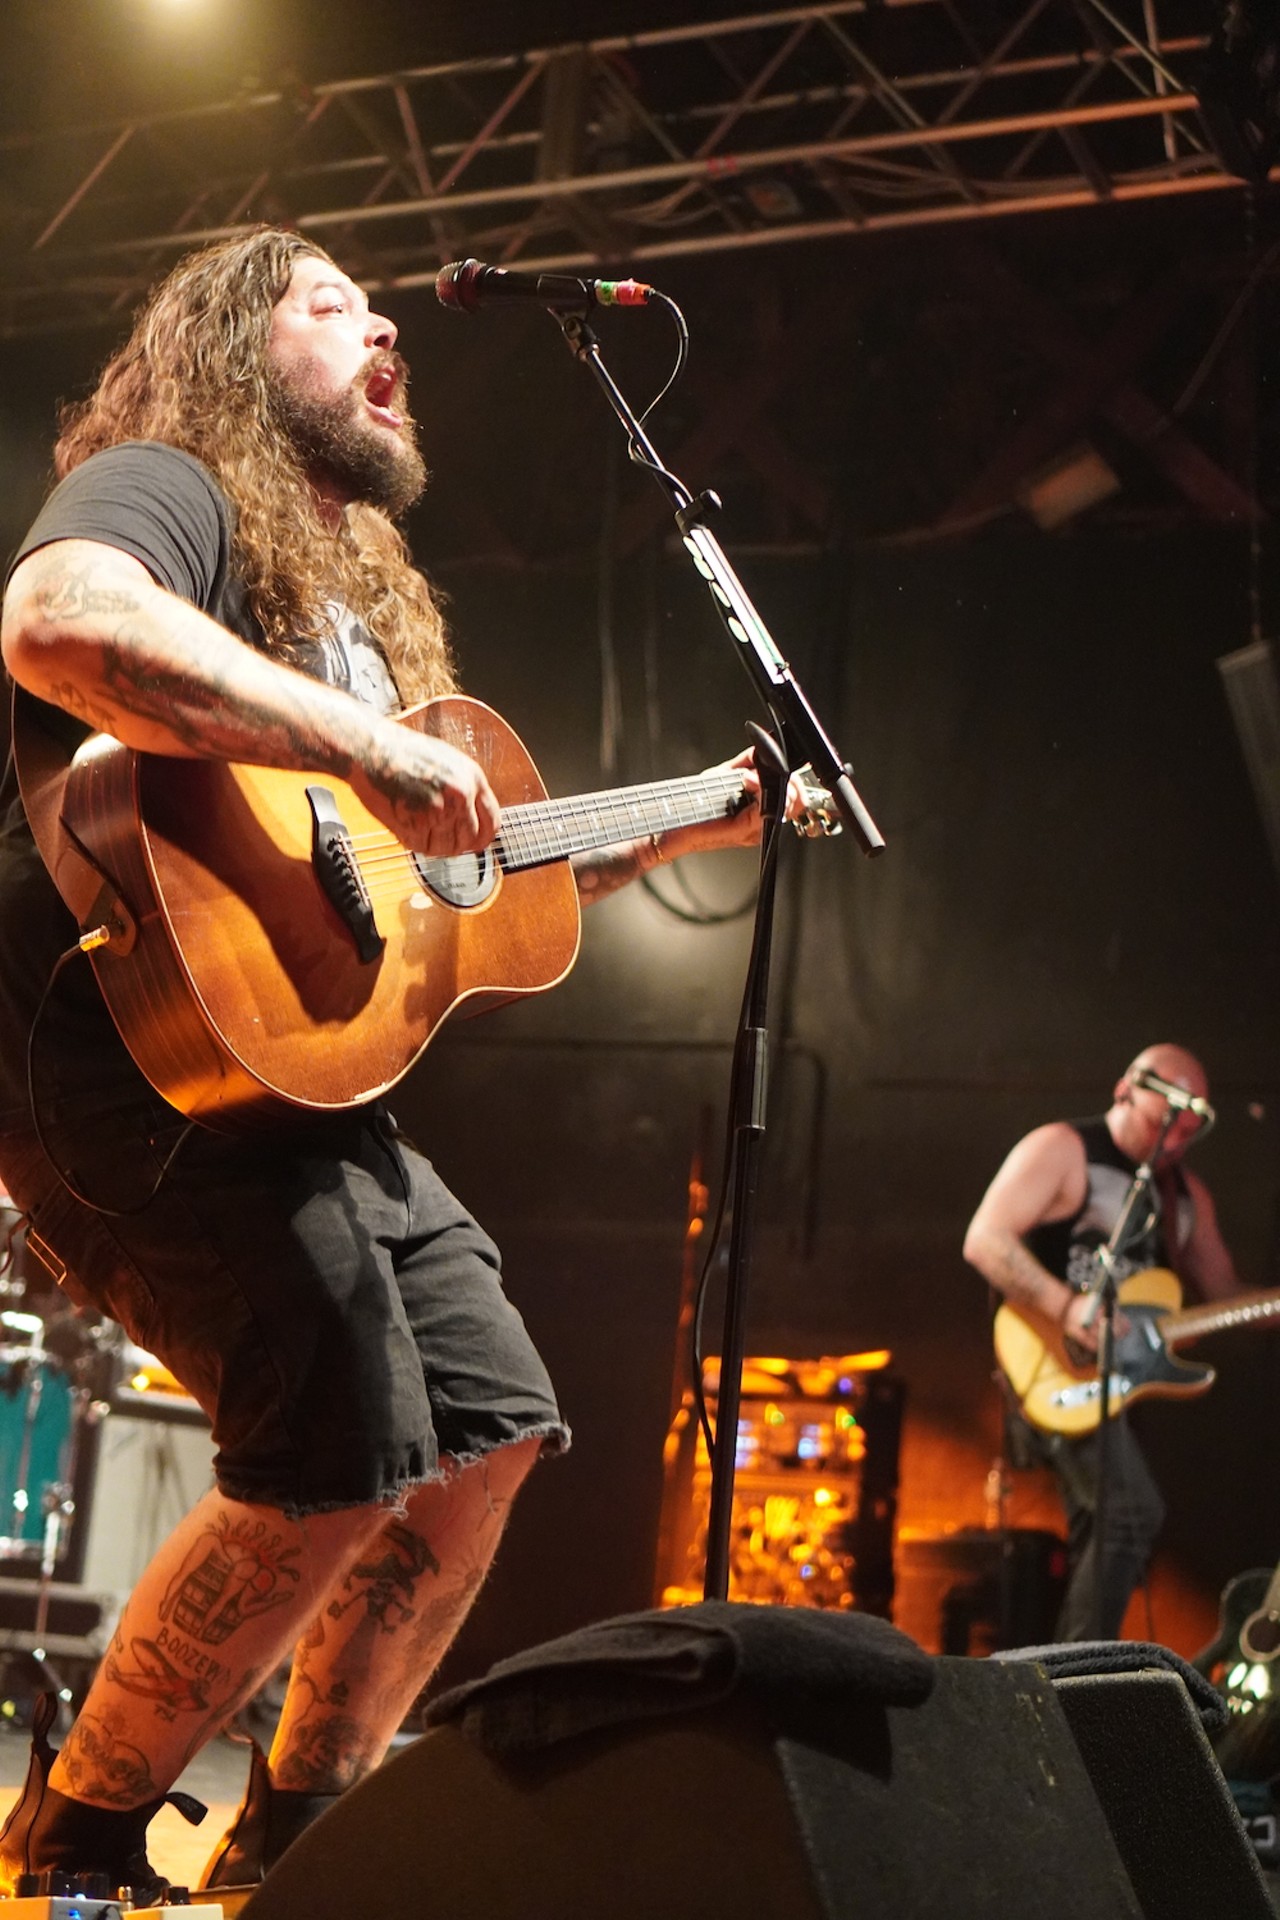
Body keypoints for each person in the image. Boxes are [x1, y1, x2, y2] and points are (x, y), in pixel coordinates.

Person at [0, 228, 791, 1898]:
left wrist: (685, 820)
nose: (381, 333)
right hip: (111, 1059)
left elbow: (453, 888)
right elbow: (59, 623)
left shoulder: (358, 600)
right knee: (335, 1447)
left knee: (493, 1420)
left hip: (289, 1082)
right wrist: (363, 742)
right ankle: (69, 1834)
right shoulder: (172, 486)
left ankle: (299, 1843)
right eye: (329, 304)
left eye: (382, 314)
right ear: (231, 341)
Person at [962, 1043, 1241, 1643]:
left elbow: (1226, 1293)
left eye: (1187, 1134)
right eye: (1160, 1125)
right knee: (1130, 1513)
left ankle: (1061, 1680)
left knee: (1107, 1525)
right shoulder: (1063, 1149)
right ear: (1125, 1090)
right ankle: (1077, 1684)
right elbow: (984, 1239)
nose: (1171, 1143)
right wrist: (1066, 1306)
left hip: (1117, 1381)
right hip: (1046, 1357)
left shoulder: (1186, 1198)